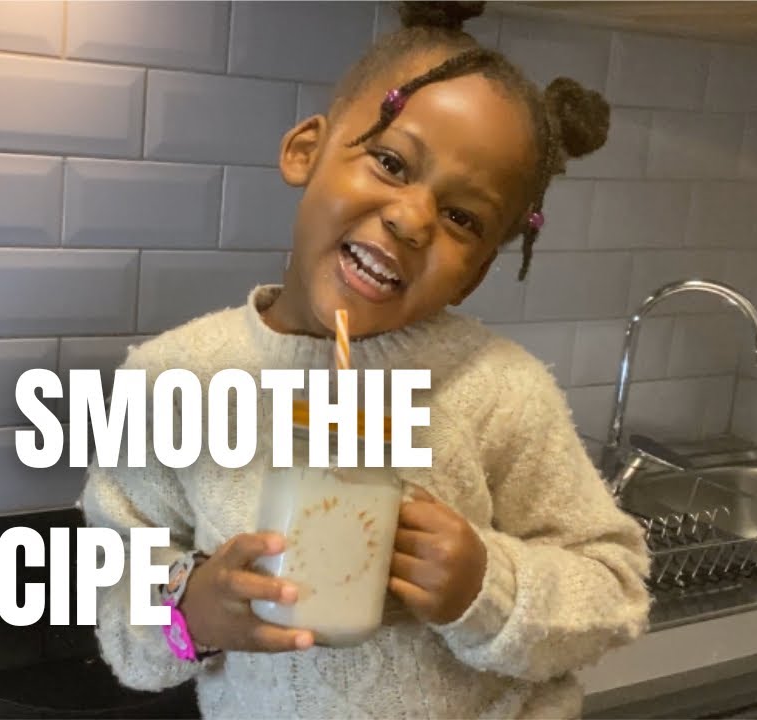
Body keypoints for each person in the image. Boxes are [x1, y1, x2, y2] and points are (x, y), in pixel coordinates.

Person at [80, 2, 652, 717]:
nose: (412, 219)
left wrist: (487, 585)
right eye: (390, 162)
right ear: (306, 150)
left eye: (463, 217)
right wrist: (190, 614)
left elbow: (614, 589)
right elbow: (118, 594)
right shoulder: (176, 381)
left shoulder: (499, 391)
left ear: (476, 272)